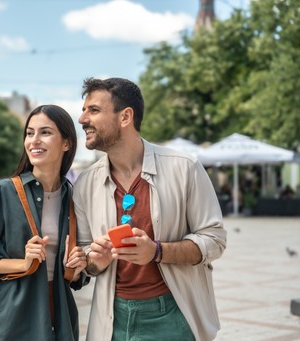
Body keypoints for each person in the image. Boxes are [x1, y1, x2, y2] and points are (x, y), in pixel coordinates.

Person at [73, 77, 227, 341]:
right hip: (112, 319)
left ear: (125, 117)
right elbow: (87, 254)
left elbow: (214, 240)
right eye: (85, 109)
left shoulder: (184, 168)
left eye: (94, 110)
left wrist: (156, 251)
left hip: (174, 315)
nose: (82, 118)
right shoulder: (85, 183)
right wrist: (93, 261)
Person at [0, 105, 88, 341]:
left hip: (60, 317)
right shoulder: (4, 192)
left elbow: (75, 278)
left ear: (67, 143)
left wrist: (77, 266)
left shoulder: (73, 197)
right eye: (30, 133)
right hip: (15, 319)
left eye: (45, 132)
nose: (34, 140)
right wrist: (23, 263)